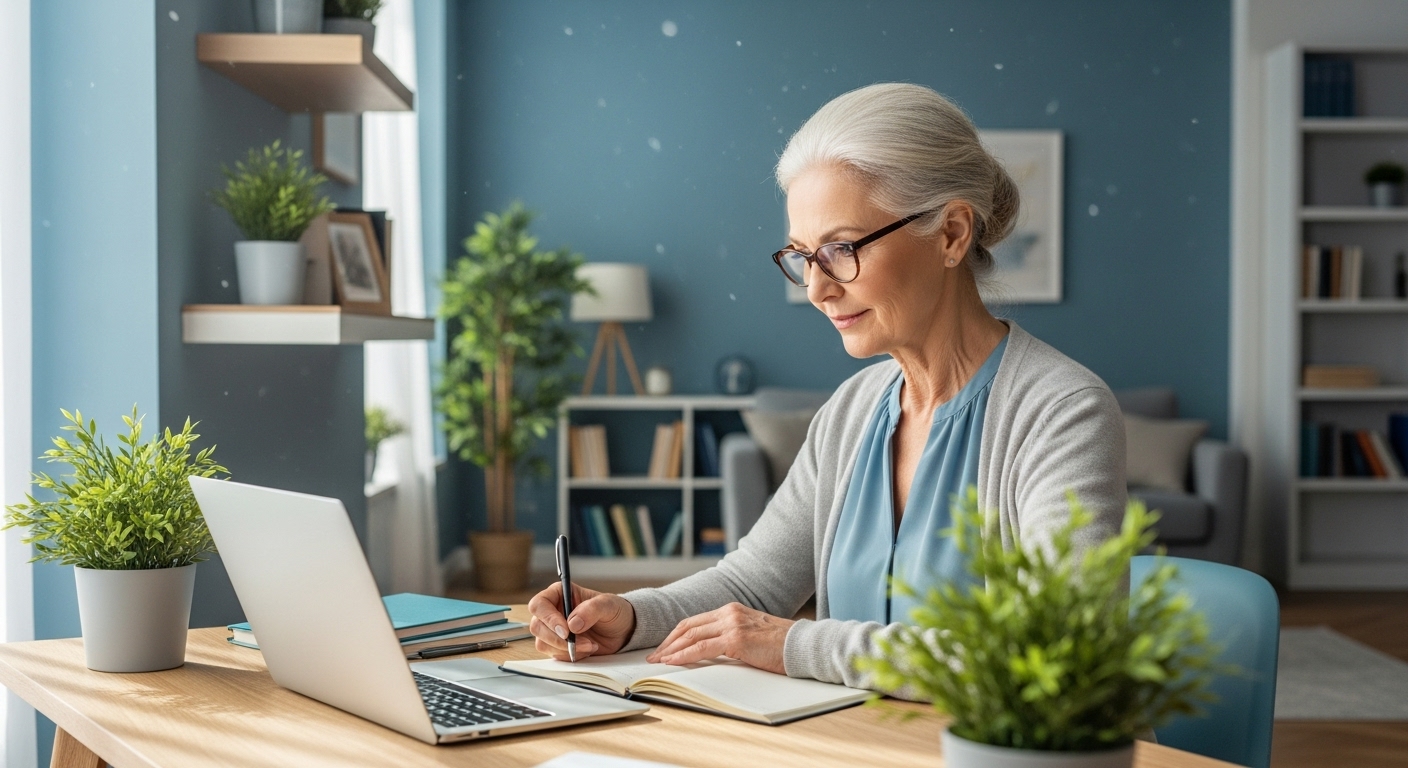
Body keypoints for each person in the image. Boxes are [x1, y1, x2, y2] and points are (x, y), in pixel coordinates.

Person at [528, 82, 1126, 695]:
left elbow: (1057, 649)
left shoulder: (1063, 412)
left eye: (841, 249)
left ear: (950, 234)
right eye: (803, 256)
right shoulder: (853, 410)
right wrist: (630, 616)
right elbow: (756, 584)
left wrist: (795, 643)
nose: (817, 289)